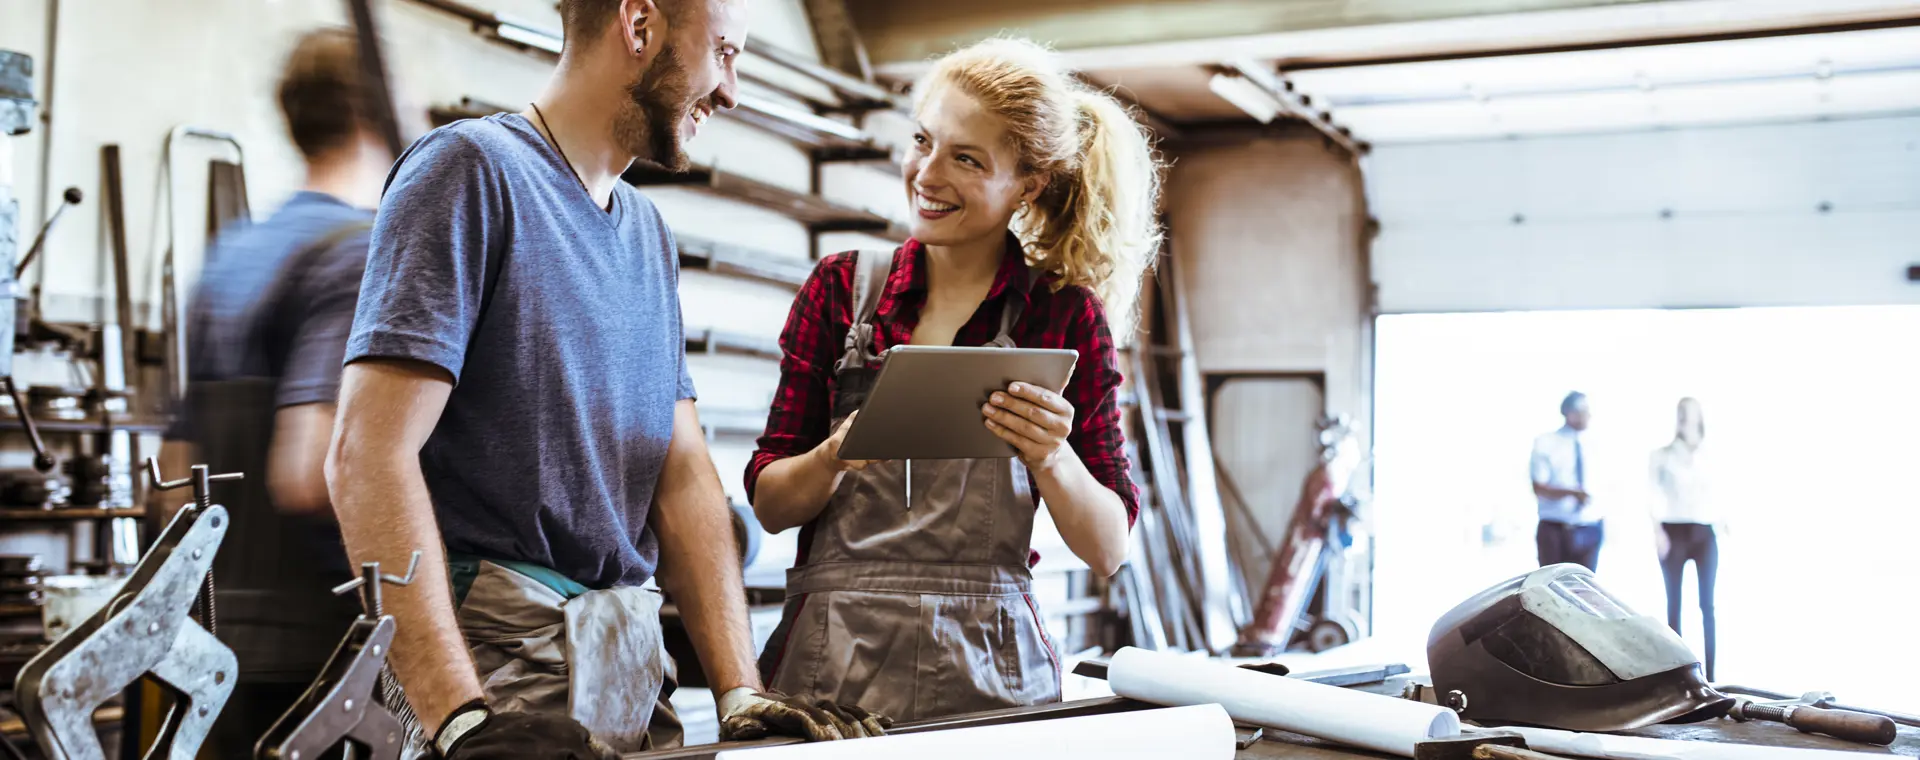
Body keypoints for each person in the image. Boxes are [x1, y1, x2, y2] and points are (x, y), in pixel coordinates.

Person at [326, 1, 876, 756]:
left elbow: (680, 476)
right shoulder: (471, 172)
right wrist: (460, 720)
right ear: (639, 23)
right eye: (723, 53)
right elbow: (367, 456)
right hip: (492, 676)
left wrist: (740, 690)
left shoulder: (647, 234)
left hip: (625, 669)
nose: (731, 91)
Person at [746, 37, 1156, 723]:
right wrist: (834, 455)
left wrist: (1051, 455)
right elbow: (770, 504)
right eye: (922, 142)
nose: (926, 174)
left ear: (1029, 184)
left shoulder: (1061, 315)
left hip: (992, 677)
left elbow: (1108, 547)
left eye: (966, 158)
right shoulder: (841, 290)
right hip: (828, 673)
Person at [164, 27, 393, 756]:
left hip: (212, 644)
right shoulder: (358, 253)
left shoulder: (235, 249)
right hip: (316, 655)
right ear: (374, 113)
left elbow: (174, 477)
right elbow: (306, 473)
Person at [1649, 397, 1721, 680]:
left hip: (1704, 532)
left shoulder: (1709, 455)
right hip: (1673, 531)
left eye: (1689, 415)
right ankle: (1677, 676)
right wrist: (1657, 532)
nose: (1684, 420)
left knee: (1708, 605)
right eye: (1680, 414)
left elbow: (1720, 493)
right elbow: (1651, 495)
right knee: (1674, 604)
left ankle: (1713, 677)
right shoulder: (1662, 455)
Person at [1530, 391, 1602, 570]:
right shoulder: (1546, 443)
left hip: (1590, 527)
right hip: (1555, 529)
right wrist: (1572, 493)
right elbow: (1539, 487)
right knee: (1552, 588)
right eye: (1583, 410)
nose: (1588, 415)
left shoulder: (1597, 443)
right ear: (1569, 413)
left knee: (1584, 590)